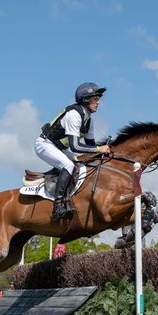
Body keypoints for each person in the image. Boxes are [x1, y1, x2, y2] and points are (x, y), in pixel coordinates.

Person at [35, 82, 111, 221]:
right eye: (95, 99)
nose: (98, 102)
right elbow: (75, 146)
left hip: (59, 148)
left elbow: (90, 145)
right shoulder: (74, 115)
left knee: (82, 166)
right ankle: (57, 208)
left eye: (98, 99)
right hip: (45, 144)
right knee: (69, 166)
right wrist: (99, 149)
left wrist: (103, 152)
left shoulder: (89, 120)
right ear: (86, 99)